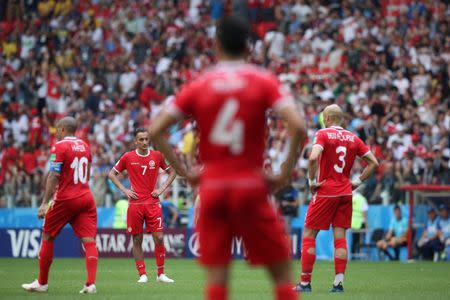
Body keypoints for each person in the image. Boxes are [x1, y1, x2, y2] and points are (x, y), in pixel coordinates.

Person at [148, 15, 307, 300]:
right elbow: (298, 125)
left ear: (216, 46)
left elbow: (156, 130)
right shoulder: (263, 81)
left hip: (213, 188)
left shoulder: (201, 84)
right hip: (250, 184)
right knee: (282, 275)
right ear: (248, 48)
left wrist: (184, 171)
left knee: (217, 280)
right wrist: (284, 171)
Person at [295, 104, 379, 293]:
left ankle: (305, 283)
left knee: (309, 235)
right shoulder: (353, 138)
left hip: (326, 190)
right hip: (345, 192)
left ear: (327, 117)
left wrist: (311, 181)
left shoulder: (323, 134)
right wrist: (356, 182)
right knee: (340, 238)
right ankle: (338, 284)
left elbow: (312, 158)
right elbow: (374, 162)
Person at [22, 117, 98, 294]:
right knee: (89, 240)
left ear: (63, 129)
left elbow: (54, 176)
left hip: (66, 198)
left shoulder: (60, 146)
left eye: (57, 129)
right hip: (86, 196)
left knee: (48, 236)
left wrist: (44, 203)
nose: (56, 133)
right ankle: (90, 283)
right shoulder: (85, 146)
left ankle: (42, 283)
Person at [108, 128, 176, 284]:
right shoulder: (128, 157)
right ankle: (142, 274)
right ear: (135, 141)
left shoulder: (157, 156)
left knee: (159, 238)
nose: (145, 142)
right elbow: (111, 174)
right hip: (135, 204)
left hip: (153, 203)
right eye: (141, 140)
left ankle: (161, 274)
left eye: (147, 139)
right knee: (137, 240)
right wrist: (125, 190)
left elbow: (172, 172)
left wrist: (162, 189)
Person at [350, 191, 369, 259]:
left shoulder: (352, 198)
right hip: (360, 223)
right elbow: (364, 213)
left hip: (353, 222)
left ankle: (353, 256)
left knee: (354, 241)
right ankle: (358, 256)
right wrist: (367, 225)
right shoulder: (362, 199)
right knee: (360, 241)